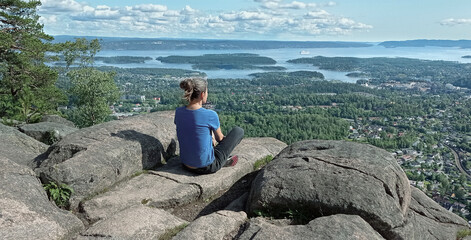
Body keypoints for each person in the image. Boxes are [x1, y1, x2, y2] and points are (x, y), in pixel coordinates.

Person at [174, 78, 244, 174]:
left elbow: (190, 129)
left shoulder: (179, 112)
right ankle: (223, 160)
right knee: (238, 131)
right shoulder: (210, 115)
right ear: (202, 94)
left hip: (185, 164)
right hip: (206, 167)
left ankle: (215, 157)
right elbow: (220, 139)